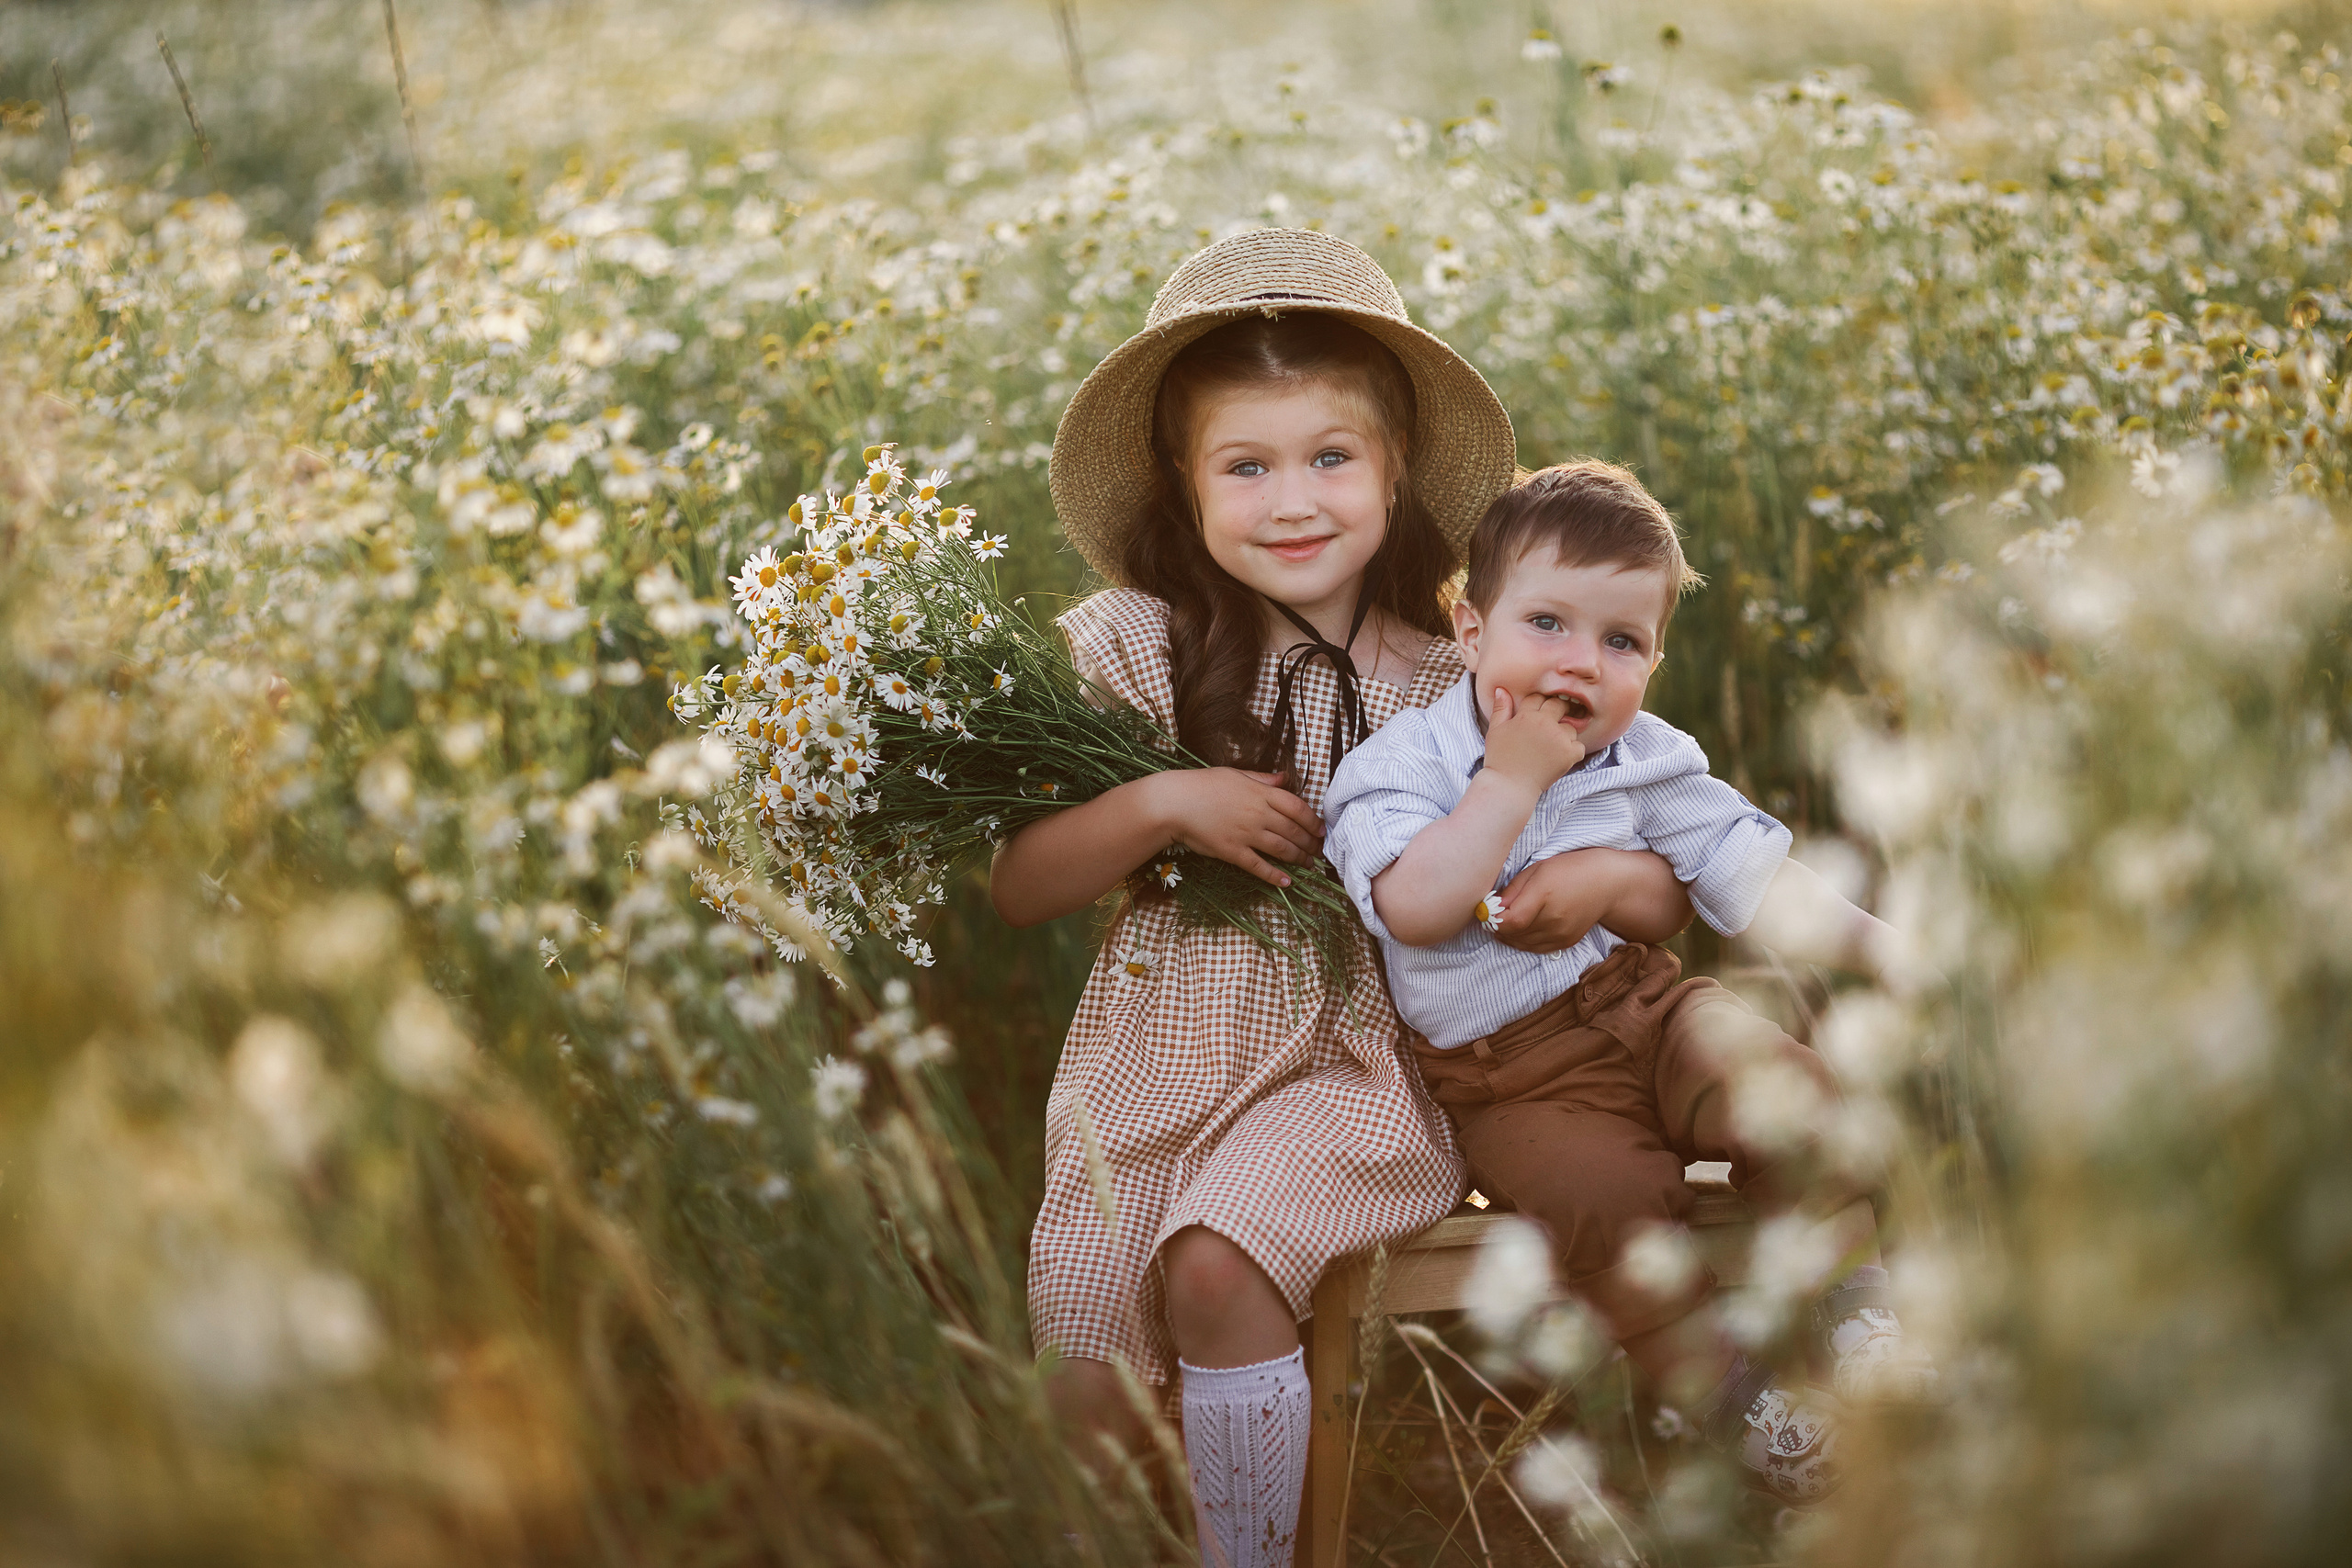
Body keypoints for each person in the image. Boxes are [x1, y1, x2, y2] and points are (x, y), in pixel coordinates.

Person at [990, 232, 1694, 1566]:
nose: (1291, 501)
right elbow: (1019, 885)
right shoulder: (1132, 646)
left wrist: (1589, 876)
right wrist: (1163, 803)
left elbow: (1654, 839)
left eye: (1329, 457)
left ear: (1394, 468)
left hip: (1370, 1061)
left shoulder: (1459, 672)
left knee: (1217, 1263)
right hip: (1149, 1059)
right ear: (1184, 483)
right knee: (1083, 1376)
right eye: (1244, 466)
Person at [1324, 460, 1935, 1506]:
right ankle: (1741, 1404)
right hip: (1513, 1080)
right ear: (1471, 631)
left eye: (1620, 642)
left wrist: (1892, 951)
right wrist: (1511, 780)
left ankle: (1861, 1316)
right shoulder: (1403, 765)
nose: (1581, 662)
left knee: (1787, 1091)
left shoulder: (1646, 757)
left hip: (1648, 1008)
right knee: (1603, 1206)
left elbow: (1753, 875)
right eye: (1546, 624)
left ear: (1653, 661)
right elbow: (1414, 906)